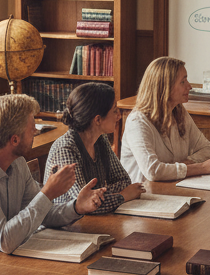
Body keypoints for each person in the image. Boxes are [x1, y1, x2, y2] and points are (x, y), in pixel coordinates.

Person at [0, 93, 103, 259]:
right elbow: (5, 240)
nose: (36, 132)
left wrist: (76, 207)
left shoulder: (16, 161)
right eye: (31, 129)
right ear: (14, 140)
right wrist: (48, 193)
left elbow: (42, 214)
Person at [118, 57, 210, 183]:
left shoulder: (179, 112)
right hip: (143, 196)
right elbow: (153, 171)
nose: (189, 86)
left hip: (172, 188)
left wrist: (181, 166)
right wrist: (200, 167)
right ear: (165, 86)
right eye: (183, 82)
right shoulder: (137, 122)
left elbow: (208, 150)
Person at [43, 82, 142, 214]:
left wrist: (100, 193)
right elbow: (85, 203)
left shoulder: (101, 139)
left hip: (93, 221)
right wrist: (123, 196)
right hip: (65, 227)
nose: (118, 116)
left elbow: (124, 181)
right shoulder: (65, 149)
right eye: (114, 111)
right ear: (98, 120)